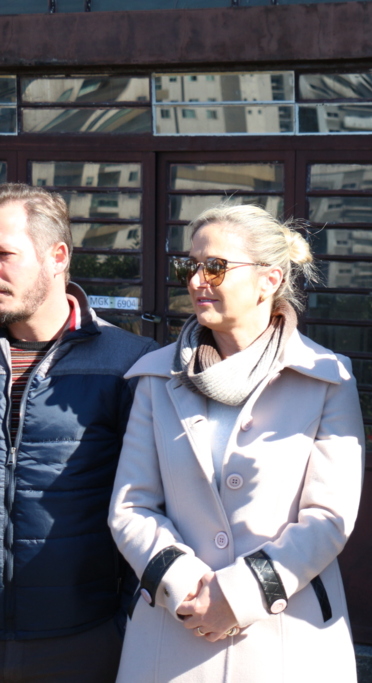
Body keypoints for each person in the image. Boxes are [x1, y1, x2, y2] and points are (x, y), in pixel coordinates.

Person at [108, 204, 364, 682]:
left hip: (289, 634)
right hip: (173, 630)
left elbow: (329, 517)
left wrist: (240, 595)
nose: (197, 280)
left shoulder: (326, 377)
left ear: (269, 280)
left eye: (215, 267)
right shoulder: (156, 376)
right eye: (190, 266)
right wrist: (186, 587)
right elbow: (131, 506)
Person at [0, 183, 157, 681]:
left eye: (4, 255)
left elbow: (156, 502)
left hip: (80, 640)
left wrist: (127, 622)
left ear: (57, 255)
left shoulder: (128, 364)